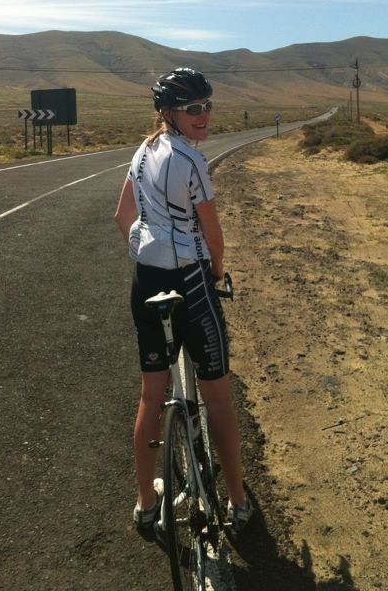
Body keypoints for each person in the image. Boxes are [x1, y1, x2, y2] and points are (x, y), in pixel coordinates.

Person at [114, 67, 253, 533]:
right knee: (217, 399)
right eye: (194, 108)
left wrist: (145, 244)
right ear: (169, 113)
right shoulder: (191, 160)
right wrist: (216, 273)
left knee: (151, 397)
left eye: (209, 105)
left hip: (147, 280)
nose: (204, 115)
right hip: (191, 282)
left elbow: (122, 217)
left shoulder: (141, 152)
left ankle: (145, 505)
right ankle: (237, 503)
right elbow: (212, 233)